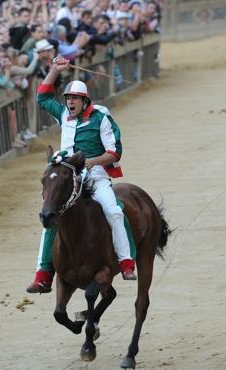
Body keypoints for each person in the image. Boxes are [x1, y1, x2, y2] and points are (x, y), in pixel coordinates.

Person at [26, 56, 136, 294]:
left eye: (75, 98)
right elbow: (43, 96)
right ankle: (43, 275)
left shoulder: (101, 118)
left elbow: (114, 153)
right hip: (68, 177)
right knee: (49, 216)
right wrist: (55, 70)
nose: (70, 102)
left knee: (114, 211)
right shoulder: (63, 114)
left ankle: (126, 262)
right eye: (68, 98)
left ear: (85, 100)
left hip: (95, 175)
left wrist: (89, 162)